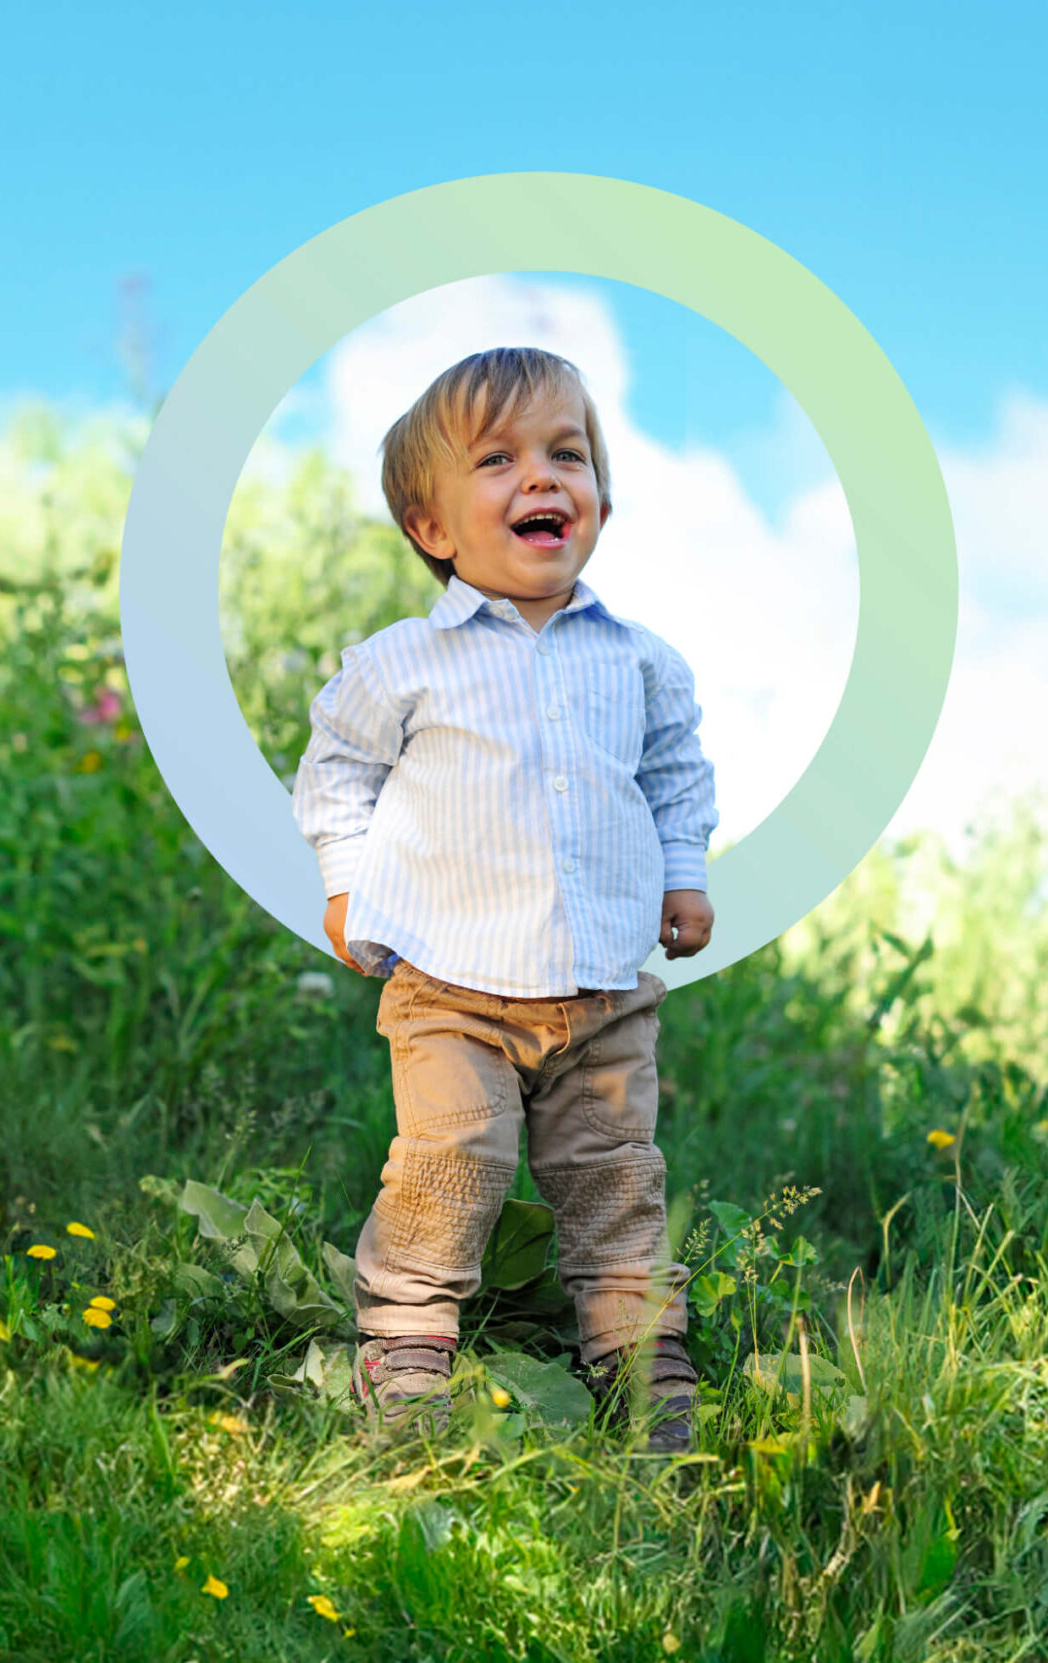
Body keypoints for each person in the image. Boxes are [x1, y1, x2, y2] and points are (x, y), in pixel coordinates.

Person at [290, 346, 718, 1454]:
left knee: (615, 1174)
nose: (542, 478)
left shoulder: (637, 662)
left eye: (564, 455)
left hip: (603, 990)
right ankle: (408, 1350)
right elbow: (337, 766)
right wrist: (346, 882)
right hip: (450, 984)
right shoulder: (403, 664)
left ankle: (640, 1359)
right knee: (451, 1160)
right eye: (499, 460)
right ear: (432, 527)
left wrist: (684, 871)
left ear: (600, 504)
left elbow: (674, 772)